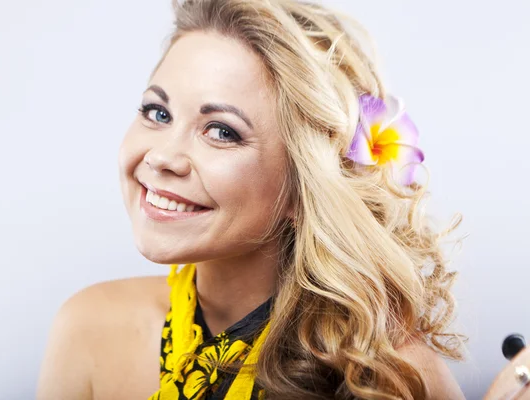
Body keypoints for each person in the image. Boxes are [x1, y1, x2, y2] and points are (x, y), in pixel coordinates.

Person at [36, 0, 472, 398]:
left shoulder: (390, 373)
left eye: (222, 131)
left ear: (304, 187)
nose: (163, 156)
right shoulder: (88, 328)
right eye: (158, 113)